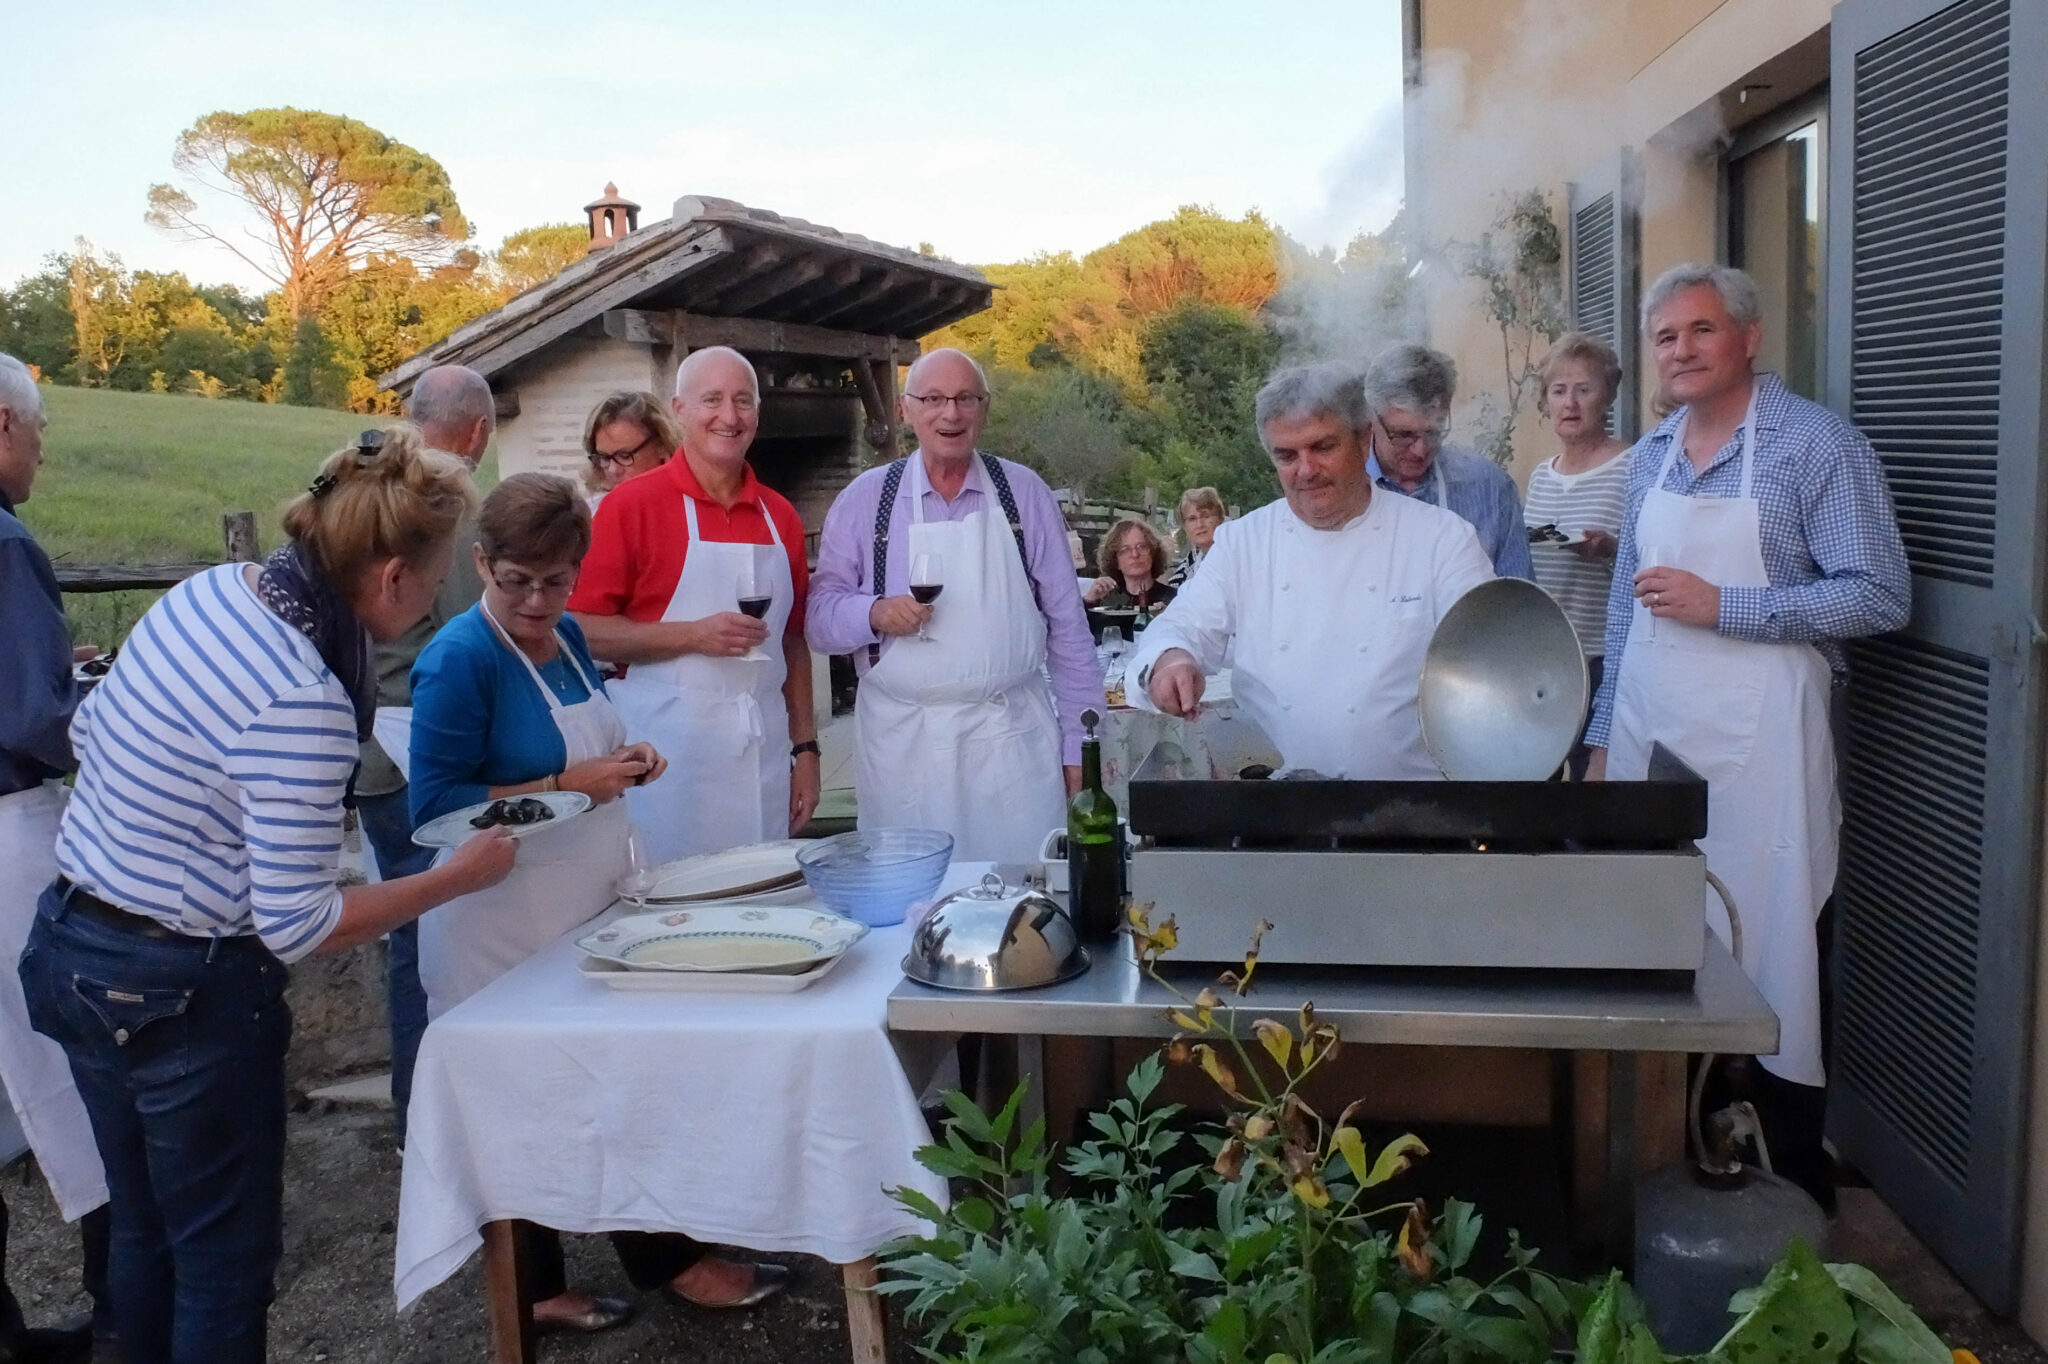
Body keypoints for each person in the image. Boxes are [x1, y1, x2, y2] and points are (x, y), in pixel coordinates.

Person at [20, 426, 518, 1364]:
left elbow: (99, 738)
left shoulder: (213, 591)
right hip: (176, 993)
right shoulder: (303, 697)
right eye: (439, 573)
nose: (434, 599)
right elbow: (297, 922)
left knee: (141, 1226)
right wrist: (450, 879)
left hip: (72, 943)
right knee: (220, 1263)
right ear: (391, 580)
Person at [409, 473, 785, 1327]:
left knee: (612, 1085)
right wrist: (567, 785)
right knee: (520, 1106)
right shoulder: (460, 660)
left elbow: (592, 748)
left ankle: (659, 1256)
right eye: (517, 581)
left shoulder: (570, 638)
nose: (539, 600)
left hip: (580, 907)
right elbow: (432, 813)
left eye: (557, 579)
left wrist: (631, 760)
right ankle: (539, 1289)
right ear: (481, 564)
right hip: (498, 923)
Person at [1584, 263, 1910, 1206]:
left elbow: (1882, 594)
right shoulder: (1650, 455)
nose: (1681, 351)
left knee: (1776, 947)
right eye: (1666, 337)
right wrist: (1604, 743)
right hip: (1653, 739)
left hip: (1764, 745)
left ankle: (1792, 1181)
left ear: (1749, 337)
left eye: (1701, 331)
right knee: (1659, 940)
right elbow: (1621, 611)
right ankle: (1670, 1157)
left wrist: (1728, 604)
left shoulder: (1816, 448)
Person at [1127, 363, 1494, 777]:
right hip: (1276, 811)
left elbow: (1488, 664)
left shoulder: (1441, 539)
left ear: (1363, 440)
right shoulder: (1243, 543)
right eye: (1287, 455)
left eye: (1322, 447)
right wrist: (1170, 660)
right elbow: (1181, 626)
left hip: (1410, 808)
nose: (1305, 470)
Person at [808, 348, 1103, 862]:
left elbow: (1069, 629)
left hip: (1009, 743)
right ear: (906, 410)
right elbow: (819, 620)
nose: (951, 413)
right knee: (910, 906)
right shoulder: (864, 501)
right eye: (934, 398)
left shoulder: (1023, 494)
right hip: (904, 749)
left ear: (984, 409)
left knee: (1024, 909)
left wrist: (1080, 745)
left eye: (966, 398)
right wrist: (873, 613)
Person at [567, 347, 819, 865]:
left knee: (764, 902)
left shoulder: (781, 516)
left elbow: (793, 642)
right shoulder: (629, 506)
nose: (729, 417)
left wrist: (807, 751)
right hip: (665, 760)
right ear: (679, 410)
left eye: (743, 402)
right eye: (712, 400)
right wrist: (691, 636)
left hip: (761, 757)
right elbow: (578, 630)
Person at [354, 363, 495, 1145]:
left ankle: (419, 1116)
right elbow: (476, 637)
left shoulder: (366, 488)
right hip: (421, 753)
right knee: (438, 938)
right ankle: (437, 1120)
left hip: (366, 755)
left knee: (409, 937)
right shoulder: (444, 506)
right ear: (477, 431)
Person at [0, 353, 108, 1361]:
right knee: (65, 1055)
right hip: (8, 829)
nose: (40, 450)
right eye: (37, 429)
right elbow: (35, 719)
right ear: (2, 425)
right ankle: (116, 1294)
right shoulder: (4, 539)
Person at [1522, 332, 1632, 779]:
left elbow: (1654, 558)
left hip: (1603, 661)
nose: (1570, 402)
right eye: (1558, 390)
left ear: (1606, 397)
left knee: (1593, 791)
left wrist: (1610, 548)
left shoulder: (1633, 464)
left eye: (1584, 389)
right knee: (1535, 780)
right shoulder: (1541, 476)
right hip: (1545, 659)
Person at [1362, 343, 1533, 580]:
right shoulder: (1347, 487)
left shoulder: (1490, 487)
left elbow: (1519, 601)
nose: (1420, 451)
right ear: (1370, 420)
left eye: (1434, 432)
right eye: (1403, 435)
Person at [581, 390, 679, 510]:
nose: (613, 470)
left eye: (624, 456)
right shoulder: (592, 515)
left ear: (662, 446)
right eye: (605, 458)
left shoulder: (691, 508)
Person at [1082, 518, 1178, 622]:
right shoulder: (1104, 600)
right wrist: (1089, 601)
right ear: (1115, 560)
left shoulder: (1174, 599)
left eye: (1142, 546)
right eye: (1125, 549)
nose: (1135, 554)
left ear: (1153, 553)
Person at [1166, 486, 1225, 587]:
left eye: (1206, 516)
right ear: (1184, 526)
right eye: (1192, 519)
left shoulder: (1230, 556)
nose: (1200, 524)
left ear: (1220, 519)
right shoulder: (1192, 561)